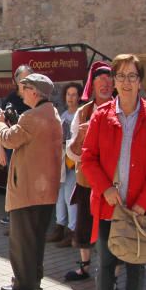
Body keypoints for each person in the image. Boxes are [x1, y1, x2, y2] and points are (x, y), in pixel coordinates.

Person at [79, 54, 146, 290]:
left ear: (140, 81)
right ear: (113, 81)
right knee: (105, 265)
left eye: (132, 76)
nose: (126, 82)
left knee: (136, 266)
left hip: (139, 208)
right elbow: (89, 158)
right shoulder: (101, 115)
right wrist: (105, 188)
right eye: (121, 76)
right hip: (109, 206)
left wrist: (143, 202)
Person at [0, 73, 62, 290]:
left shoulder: (32, 116)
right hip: (45, 191)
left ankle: (23, 284)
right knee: (36, 240)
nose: (20, 92)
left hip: (28, 190)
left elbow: (9, 139)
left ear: (34, 92)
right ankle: (34, 280)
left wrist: (0, 124)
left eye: (23, 88)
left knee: (22, 241)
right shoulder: (52, 114)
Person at [65, 61, 115, 281]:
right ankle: (84, 267)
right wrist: (82, 137)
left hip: (114, 184)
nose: (105, 84)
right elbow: (72, 153)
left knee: (113, 232)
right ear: (92, 85)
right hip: (87, 180)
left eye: (109, 79)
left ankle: (111, 278)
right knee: (84, 227)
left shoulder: (120, 109)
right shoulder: (83, 112)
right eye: (100, 80)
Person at [0, 65, 33, 225]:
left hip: (32, 148)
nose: (25, 83)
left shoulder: (35, 98)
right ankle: (13, 214)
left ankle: (28, 216)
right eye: (22, 79)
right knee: (14, 181)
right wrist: (0, 149)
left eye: (28, 79)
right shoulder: (9, 99)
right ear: (16, 81)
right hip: (13, 147)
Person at [49, 82, 83, 246]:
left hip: (73, 162)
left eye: (74, 94)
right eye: (68, 94)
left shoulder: (81, 114)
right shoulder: (63, 115)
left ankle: (72, 231)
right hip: (62, 160)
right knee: (60, 195)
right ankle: (59, 227)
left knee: (70, 195)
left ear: (79, 97)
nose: (71, 98)